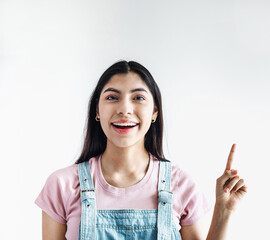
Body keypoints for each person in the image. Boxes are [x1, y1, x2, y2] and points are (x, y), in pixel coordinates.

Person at [35, 60, 247, 240]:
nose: (124, 109)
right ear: (97, 111)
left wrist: (224, 211)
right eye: (112, 97)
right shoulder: (62, 185)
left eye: (138, 98)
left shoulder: (180, 184)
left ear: (154, 112)